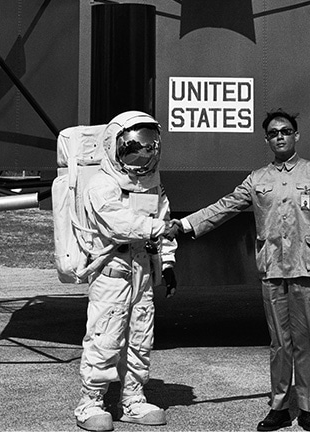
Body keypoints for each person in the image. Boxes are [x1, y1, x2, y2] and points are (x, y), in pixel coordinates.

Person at [168, 110, 310, 432]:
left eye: (286, 131)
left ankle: (307, 408)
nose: (280, 136)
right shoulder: (257, 179)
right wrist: (186, 224)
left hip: (306, 267)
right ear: (267, 139)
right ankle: (279, 407)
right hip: (272, 268)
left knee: (306, 342)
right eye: (274, 133)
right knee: (279, 343)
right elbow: (226, 206)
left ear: (296, 135)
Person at [74, 111, 178, 431]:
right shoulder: (101, 185)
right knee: (105, 338)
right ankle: (90, 401)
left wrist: (169, 262)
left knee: (140, 339)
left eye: (149, 147)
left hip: (143, 274)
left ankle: (132, 397)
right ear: (114, 146)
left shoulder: (151, 186)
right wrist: (158, 227)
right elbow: (119, 224)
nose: (143, 154)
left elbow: (164, 228)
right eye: (135, 147)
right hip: (112, 273)